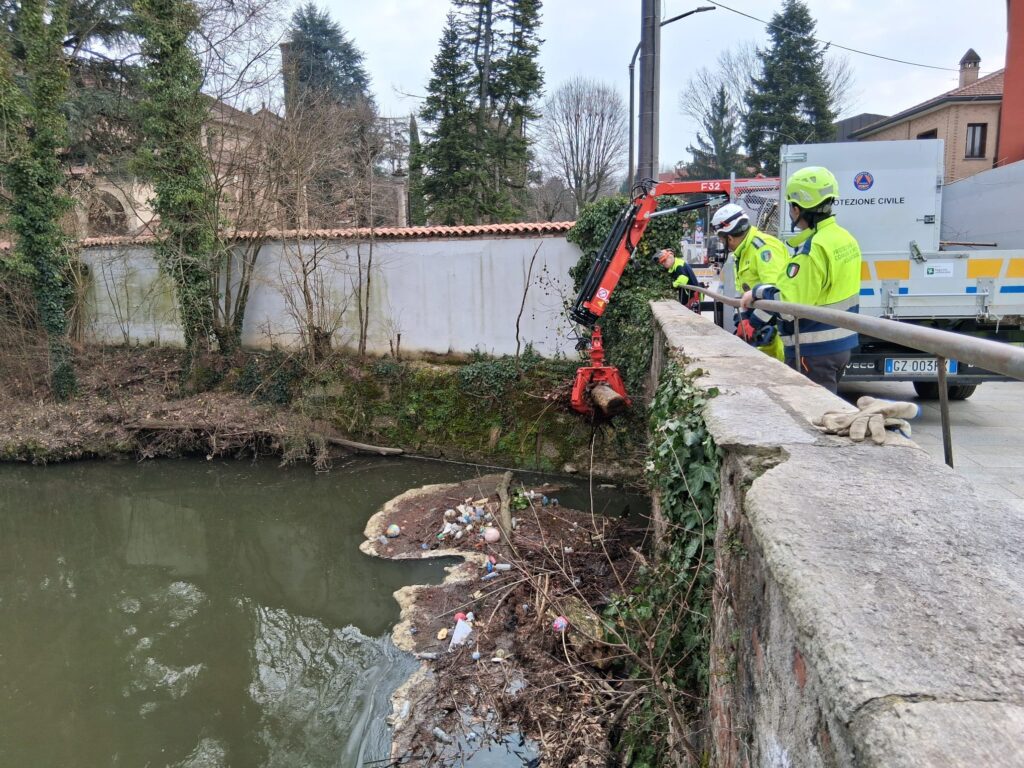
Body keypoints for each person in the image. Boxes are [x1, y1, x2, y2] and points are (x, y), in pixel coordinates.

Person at [739, 166, 862, 393]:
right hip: (842, 343)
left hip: (813, 348)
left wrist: (757, 292)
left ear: (797, 208)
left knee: (814, 417)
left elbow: (787, 305)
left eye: (790, 206)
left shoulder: (812, 249)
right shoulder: (845, 238)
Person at [710, 203, 787, 361]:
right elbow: (742, 292)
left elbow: (777, 293)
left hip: (777, 332)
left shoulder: (764, 249)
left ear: (729, 237)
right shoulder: (743, 252)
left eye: (722, 239)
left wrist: (753, 323)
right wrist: (742, 320)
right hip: (762, 332)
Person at [655, 248, 703, 312]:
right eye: (662, 262)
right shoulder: (675, 265)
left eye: (664, 261)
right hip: (689, 294)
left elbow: (683, 279)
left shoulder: (679, 266)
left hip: (692, 295)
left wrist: (673, 285)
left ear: (670, 257)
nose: (664, 264)